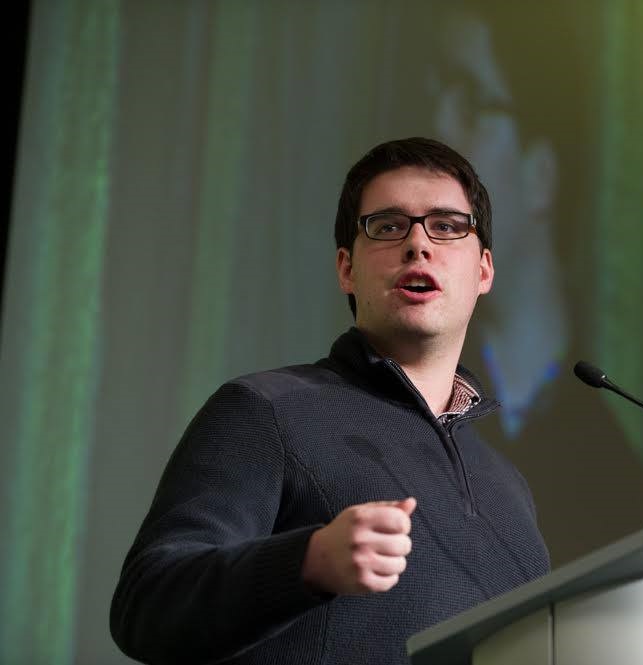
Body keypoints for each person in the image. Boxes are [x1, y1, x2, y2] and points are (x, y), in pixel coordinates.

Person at [110, 137, 550, 665]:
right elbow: (146, 606)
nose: (418, 244)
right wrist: (309, 561)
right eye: (387, 227)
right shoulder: (265, 410)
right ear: (346, 269)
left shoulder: (509, 486)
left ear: (483, 271)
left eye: (447, 226)